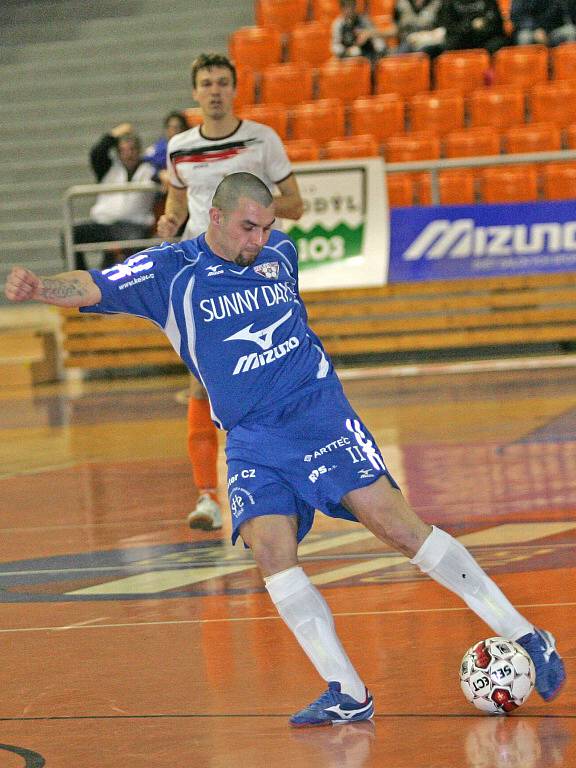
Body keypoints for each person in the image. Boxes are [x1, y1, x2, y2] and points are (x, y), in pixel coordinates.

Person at [4, 172, 566, 728]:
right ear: (216, 218)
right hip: (250, 438)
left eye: (266, 227)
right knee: (270, 551)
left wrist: (269, 239)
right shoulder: (170, 273)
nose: (259, 239)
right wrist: (42, 288)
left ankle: (525, 635)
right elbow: (94, 283)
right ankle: (347, 690)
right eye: (249, 227)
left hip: (317, 414)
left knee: (398, 529)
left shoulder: (280, 253)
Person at [157, 52, 303, 532]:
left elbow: (295, 204)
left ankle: (285, 484)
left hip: (255, 273)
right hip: (202, 278)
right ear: (195, 92)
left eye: (222, 81)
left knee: (268, 379)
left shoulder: (262, 139)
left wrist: (250, 215)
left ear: (235, 88)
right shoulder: (179, 147)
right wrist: (171, 220)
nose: (215, 90)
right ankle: (207, 498)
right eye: (206, 83)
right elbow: (178, 201)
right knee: (201, 383)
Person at [69, 123, 157, 271]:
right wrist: (114, 134)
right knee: (72, 234)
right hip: (105, 224)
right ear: (118, 153)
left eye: (132, 149)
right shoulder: (108, 168)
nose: (128, 154)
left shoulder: (151, 170)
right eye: (123, 150)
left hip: (134, 225)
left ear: (139, 151)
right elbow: (97, 153)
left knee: (134, 243)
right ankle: (80, 275)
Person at [439, 0, 509, 54]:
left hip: (487, 38)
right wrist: (470, 26)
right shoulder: (450, 2)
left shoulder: (489, 1)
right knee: (448, 47)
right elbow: (450, 27)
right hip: (463, 39)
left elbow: (497, 23)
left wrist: (484, 23)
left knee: (498, 44)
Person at [142, 111, 188, 190]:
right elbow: (145, 164)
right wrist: (159, 173)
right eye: (173, 127)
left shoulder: (191, 149)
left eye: (179, 127)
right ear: (167, 129)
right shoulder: (157, 149)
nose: (176, 131)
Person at [510, 0, 576, 47]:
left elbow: (563, 13)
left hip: (552, 30)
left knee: (571, 32)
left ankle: (566, 65)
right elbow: (516, 16)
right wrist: (535, 29)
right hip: (531, 31)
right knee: (524, 38)